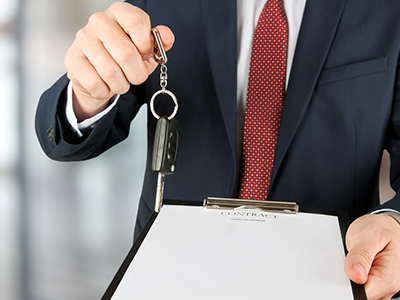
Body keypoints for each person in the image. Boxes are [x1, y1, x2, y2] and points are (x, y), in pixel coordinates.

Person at [35, 1, 400, 299]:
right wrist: (86, 93)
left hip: (328, 276)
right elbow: (71, 136)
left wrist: (395, 222)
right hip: (171, 275)